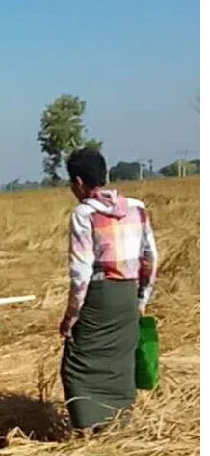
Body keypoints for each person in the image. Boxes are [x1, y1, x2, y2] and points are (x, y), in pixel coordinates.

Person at [59, 147, 157, 433]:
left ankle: (87, 428)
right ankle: (119, 425)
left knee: (77, 365)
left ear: (78, 182)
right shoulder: (137, 207)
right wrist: (141, 299)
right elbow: (150, 257)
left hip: (98, 296)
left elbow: (81, 274)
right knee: (120, 362)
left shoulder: (83, 214)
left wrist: (71, 317)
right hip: (127, 295)